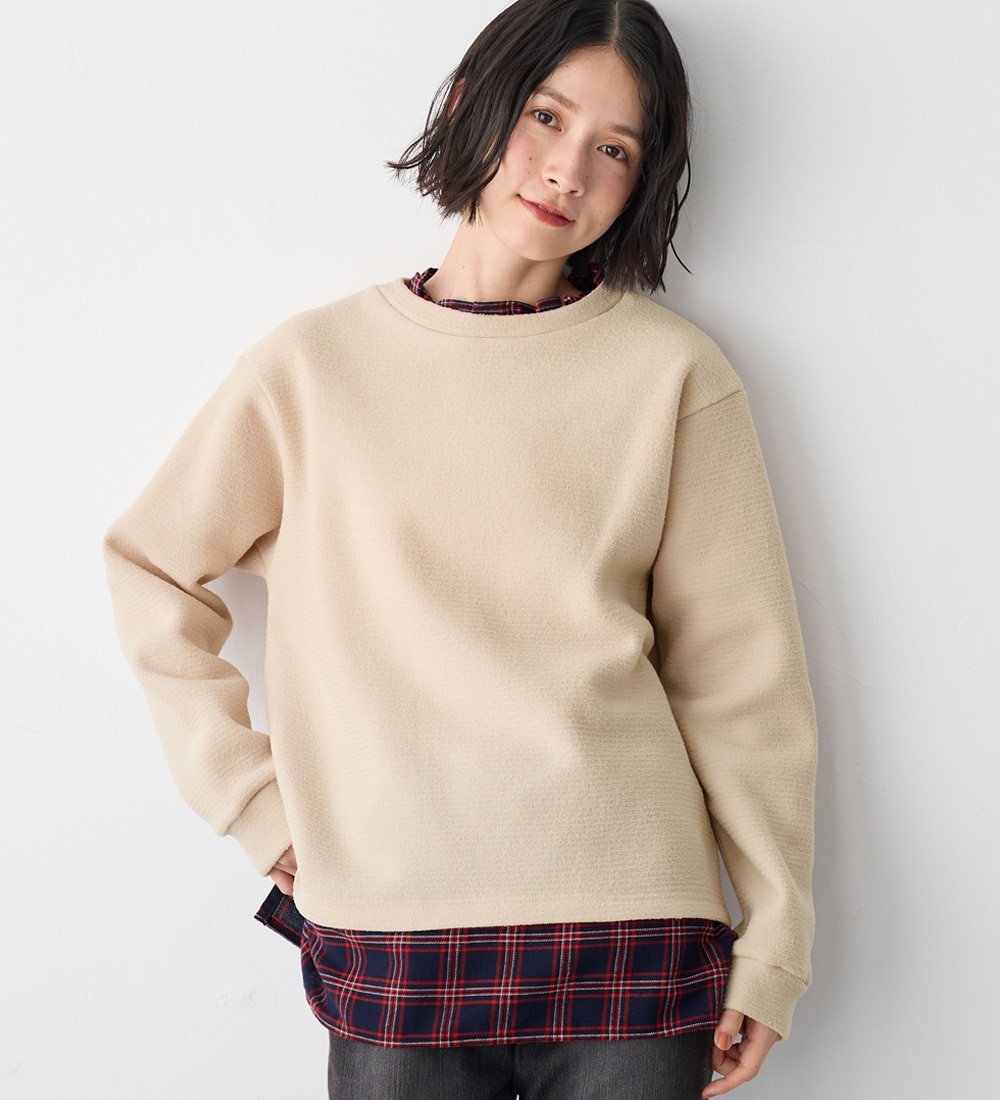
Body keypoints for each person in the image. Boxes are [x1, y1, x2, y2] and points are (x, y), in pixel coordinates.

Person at [103, 1, 817, 1097]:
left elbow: (742, 678)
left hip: (633, 928)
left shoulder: (672, 375)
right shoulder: (311, 369)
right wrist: (252, 801)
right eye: (546, 117)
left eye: (615, 149)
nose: (567, 169)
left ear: (643, 179)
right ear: (470, 104)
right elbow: (152, 565)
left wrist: (775, 937)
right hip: (391, 918)